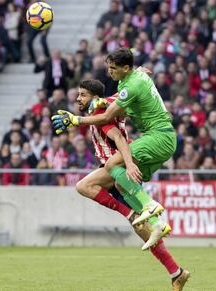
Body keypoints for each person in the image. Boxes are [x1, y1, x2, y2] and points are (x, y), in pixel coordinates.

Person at [52, 48, 176, 251]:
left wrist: (75, 120)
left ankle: (149, 205)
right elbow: (123, 97)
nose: (109, 72)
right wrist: (103, 100)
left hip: (158, 136)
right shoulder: (130, 79)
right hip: (161, 138)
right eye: (108, 67)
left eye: (113, 68)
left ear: (126, 68)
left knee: (110, 165)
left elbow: (107, 118)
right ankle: (157, 224)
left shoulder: (132, 83)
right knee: (120, 186)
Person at [74, 79, 190, 290]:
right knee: (144, 230)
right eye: (78, 94)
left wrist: (127, 164)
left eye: (82, 94)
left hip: (114, 169)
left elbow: (118, 138)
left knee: (83, 186)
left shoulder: (101, 116)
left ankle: (132, 213)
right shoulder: (102, 110)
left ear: (94, 97)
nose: (78, 98)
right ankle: (176, 272)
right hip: (117, 175)